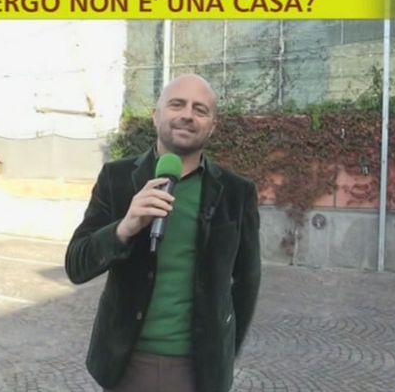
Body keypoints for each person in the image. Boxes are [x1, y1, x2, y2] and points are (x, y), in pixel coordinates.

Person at [65, 73, 261, 392]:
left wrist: (223, 351)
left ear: (212, 126)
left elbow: (247, 280)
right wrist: (124, 228)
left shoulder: (237, 192)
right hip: (126, 363)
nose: (187, 114)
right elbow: (76, 264)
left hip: (197, 370)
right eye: (177, 104)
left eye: (200, 109)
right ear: (156, 116)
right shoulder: (116, 178)